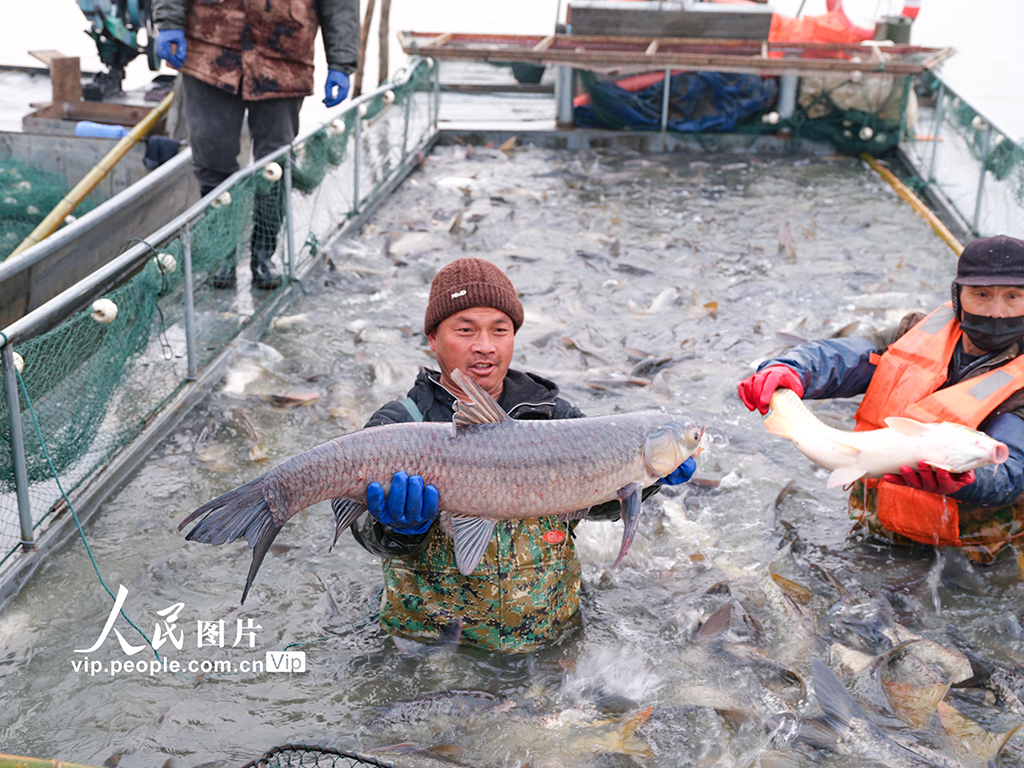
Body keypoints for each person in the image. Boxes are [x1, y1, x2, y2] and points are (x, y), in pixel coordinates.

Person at [338, 258, 697, 653]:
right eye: (465, 330)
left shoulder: (554, 416)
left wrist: (648, 481)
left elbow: (597, 504)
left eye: (500, 330)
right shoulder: (401, 425)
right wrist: (399, 529)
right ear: (432, 338)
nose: (485, 347)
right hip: (429, 645)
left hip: (548, 638)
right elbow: (362, 530)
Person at [738, 235, 1024, 563]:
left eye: (1013, 296)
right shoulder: (915, 332)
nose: (997, 312)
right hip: (877, 523)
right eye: (981, 294)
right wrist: (792, 369)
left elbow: (1010, 470)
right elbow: (842, 359)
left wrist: (966, 479)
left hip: (971, 548)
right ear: (958, 296)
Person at [152, 0, 358, 290]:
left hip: (284, 56)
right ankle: (221, 254)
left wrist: (341, 62)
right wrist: (169, 21)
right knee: (212, 162)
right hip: (210, 50)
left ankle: (263, 256)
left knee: (274, 166)